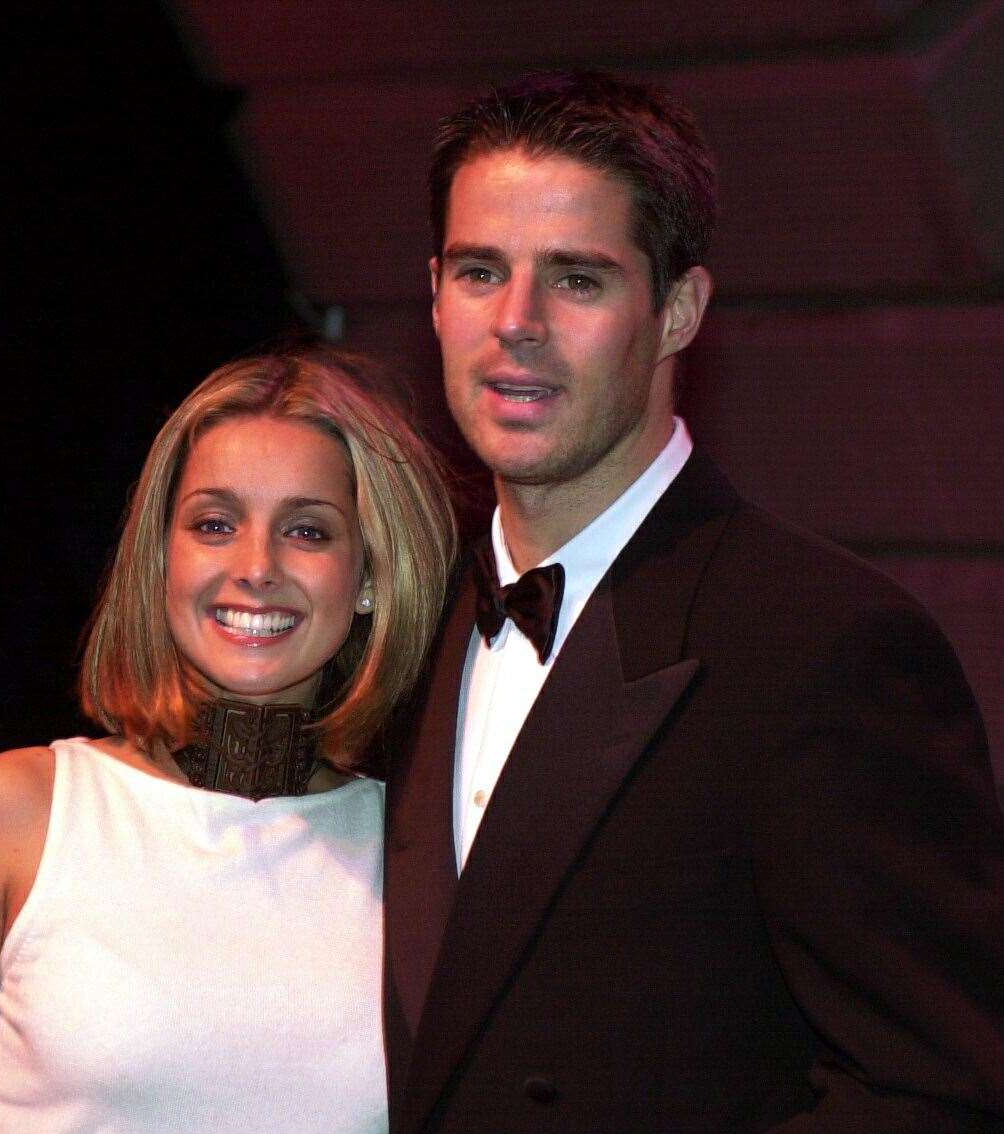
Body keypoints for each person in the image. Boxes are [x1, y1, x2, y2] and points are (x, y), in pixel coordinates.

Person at [383, 71, 1004, 1132]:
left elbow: (936, 1092)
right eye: (481, 271)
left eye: (576, 280)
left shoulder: (821, 644)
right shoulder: (396, 616)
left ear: (676, 311)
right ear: (435, 293)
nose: (516, 324)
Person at [0, 346, 456, 1133]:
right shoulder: (17, 814)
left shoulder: (419, 854)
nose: (255, 566)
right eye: (215, 523)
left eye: (307, 531)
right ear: (163, 555)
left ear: (369, 575)